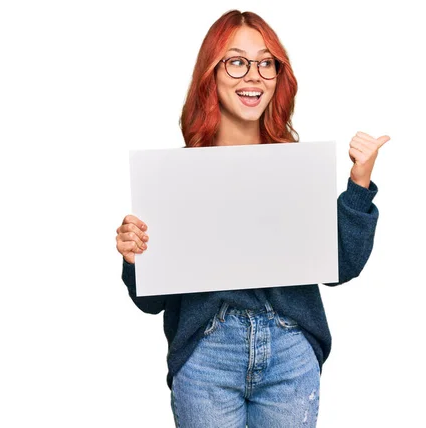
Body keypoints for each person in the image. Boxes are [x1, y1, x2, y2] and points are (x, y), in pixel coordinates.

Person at [115, 9, 390, 427]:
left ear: (278, 75)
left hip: (290, 352)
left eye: (266, 63)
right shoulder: (175, 177)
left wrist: (359, 184)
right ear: (212, 73)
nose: (254, 75)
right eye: (237, 61)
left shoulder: (297, 168)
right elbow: (150, 301)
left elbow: (342, 266)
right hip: (207, 354)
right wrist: (135, 258)